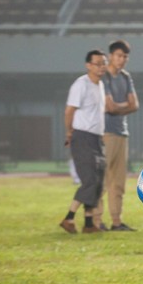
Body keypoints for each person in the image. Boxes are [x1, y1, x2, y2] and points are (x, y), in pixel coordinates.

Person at [59, 50, 108, 234]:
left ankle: (88, 223)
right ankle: (69, 217)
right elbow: (69, 110)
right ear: (88, 65)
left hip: (96, 138)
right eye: (97, 63)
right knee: (89, 180)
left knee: (98, 181)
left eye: (103, 63)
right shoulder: (81, 84)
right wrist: (69, 132)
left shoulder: (100, 85)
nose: (101, 67)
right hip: (83, 136)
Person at [95, 39, 140, 231]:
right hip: (105, 132)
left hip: (122, 132)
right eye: (119, 56)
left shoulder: (125, 77)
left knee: (118, 182)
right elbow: (109, 106)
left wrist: (118, 107)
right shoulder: (103, 76)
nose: (122, 60)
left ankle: (116, 221)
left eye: (125, 57)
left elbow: (135, 105)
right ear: (111, 56)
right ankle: (96, 221)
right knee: (102, 179)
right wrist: (124, 106)